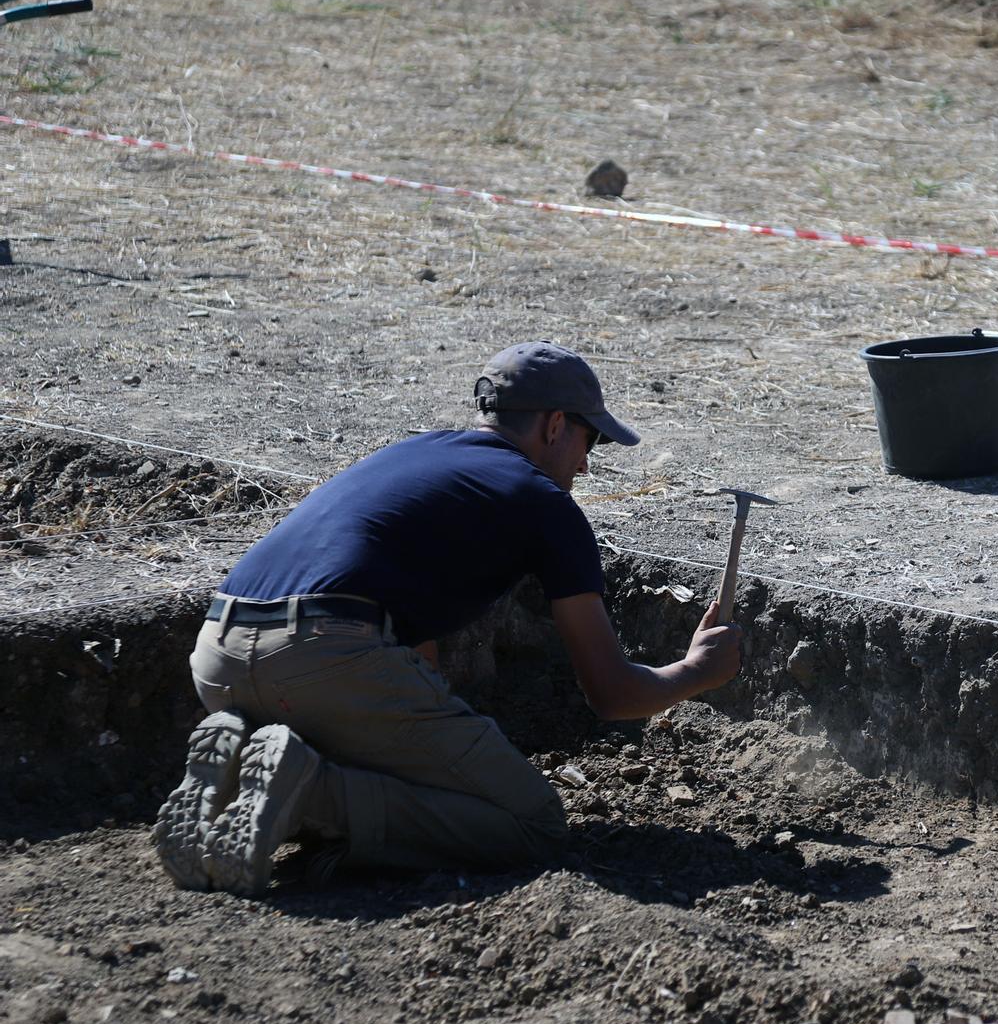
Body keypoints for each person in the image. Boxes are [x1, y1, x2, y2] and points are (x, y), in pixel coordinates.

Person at [152, 341, 741, 894]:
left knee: (415, 780)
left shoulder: (416, 454)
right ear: (555, 424)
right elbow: (611, 695)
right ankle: (313, 797)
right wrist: (697, 671)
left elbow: (411, 643)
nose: (585, 466)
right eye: (590, 441)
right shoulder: (544, 502)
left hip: (219, 654)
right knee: (534, 824)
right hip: (324, 657)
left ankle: (237, 774)